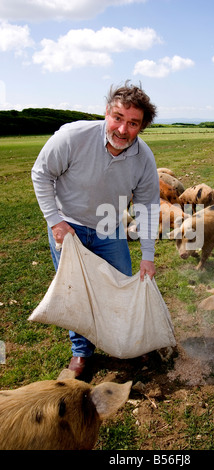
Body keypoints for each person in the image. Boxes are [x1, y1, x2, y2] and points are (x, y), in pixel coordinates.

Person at [31, 82, 160, 378]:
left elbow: (148, 207)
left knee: (119, 288)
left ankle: (128, 343)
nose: (122, 130)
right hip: (69, 227)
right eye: (117, 118)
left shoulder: (143, 159)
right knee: (76, 292)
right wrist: (55, 221)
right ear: (106, 113)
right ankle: (82, 353)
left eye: (133, 123)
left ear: (142, 127)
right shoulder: (73, 137)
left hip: (109, 228)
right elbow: (41, 173)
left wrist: (148, 255)